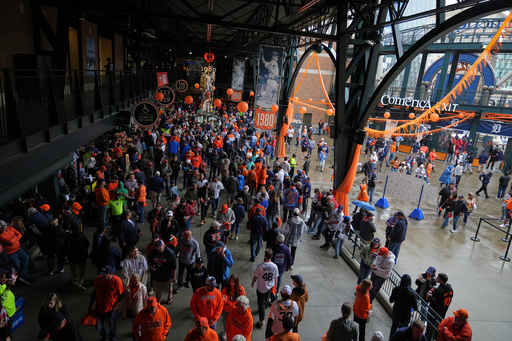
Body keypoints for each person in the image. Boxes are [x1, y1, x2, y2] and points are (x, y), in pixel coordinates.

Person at [88, 265, 124, 341]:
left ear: (110, 273)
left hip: (111, 309)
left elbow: (121, 296)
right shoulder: (98, 279)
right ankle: (105, 335)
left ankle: (112, 338)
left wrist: (114, 309)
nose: (102, 276)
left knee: (112, 326)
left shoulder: (117, 281)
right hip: (99, 308)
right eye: (101, 274)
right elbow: (94, 293)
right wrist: (90, 306)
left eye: (104, 275)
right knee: (98, 327)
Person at [252, 248, 278, 328]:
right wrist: (275, 284)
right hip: (269, 286)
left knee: (261, 303)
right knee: (266, 298)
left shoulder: (260, 266)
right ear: (272, 256)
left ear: (264, 256)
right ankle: (266, 305)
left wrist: (253, 282)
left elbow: (256, 276)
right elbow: (275, 276)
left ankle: (262, 320)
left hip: (261, 287)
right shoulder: (274, 266)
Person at [148, 240, 177, 305]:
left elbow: (174, 266)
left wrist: (174, 277)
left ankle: (170, 297)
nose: (159, 248)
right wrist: (151, 266)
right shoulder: (153, 252)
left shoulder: (170, 253)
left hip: (168, 276)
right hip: (157, 277)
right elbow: (149, 262)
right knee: (158, 290)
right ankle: (158, 302)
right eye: (157, 247)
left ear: (163, 245)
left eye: (160, 246)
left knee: (169, 289)